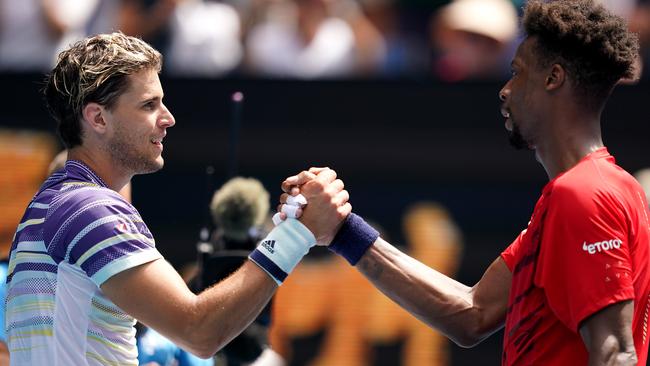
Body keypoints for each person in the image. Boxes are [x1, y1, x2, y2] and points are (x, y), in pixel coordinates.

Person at [281, 0, 648, 364]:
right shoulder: (592, 192)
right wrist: (342, 231)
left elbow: (614, 354)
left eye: (518, 72)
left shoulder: (584, 194)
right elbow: (472, 313)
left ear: (553, 78)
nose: (505, 90)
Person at [5, 32, 350, 365]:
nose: (168, 118)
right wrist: (296, 235)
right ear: (97, 118)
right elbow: (198, 331)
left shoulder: (49, 206)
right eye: (148, 105)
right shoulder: (89, 209)